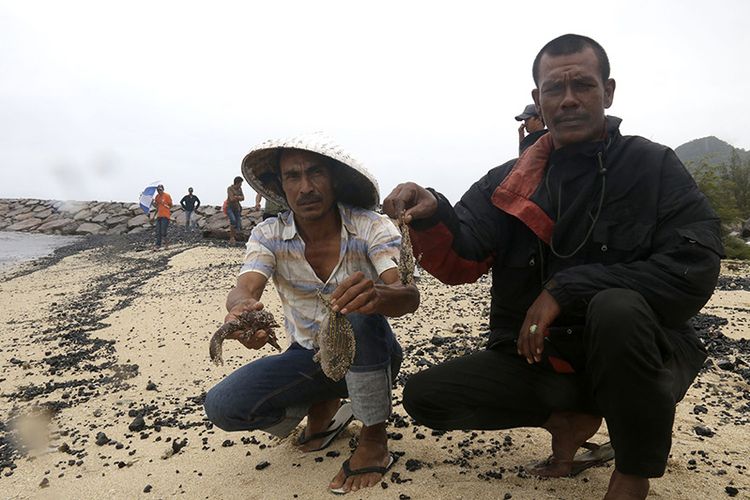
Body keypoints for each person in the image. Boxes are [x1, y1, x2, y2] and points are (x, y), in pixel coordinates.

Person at [383, 34, 723, 500]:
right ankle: (567, 417)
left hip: (641, 354)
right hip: (541, 356)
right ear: (537, 99)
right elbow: (461, 259)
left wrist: (568, 287)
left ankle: (633, 470)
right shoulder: (507, 179)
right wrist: (432, 211)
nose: (568, 100)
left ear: (608, 91)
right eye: (553, 89)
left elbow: (695, 266)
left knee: (616, 308)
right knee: (427, 396)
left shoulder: (653, 165)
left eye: (582, 85)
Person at [203, 134, 419, 494]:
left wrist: (377, 295)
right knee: (224, 406)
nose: (305, 187)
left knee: (355, 310)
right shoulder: (269, 234)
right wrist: (239, 311)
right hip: (308, 356)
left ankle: (374, 438)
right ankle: (326, 399)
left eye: (315, 173)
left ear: (334, 179)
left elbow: (406, 295)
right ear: (280, 185)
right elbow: (246, 286)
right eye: (293, 176)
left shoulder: (369, 225)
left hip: (371, 354)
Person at [151, 184, 172, 249]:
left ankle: (166, 245)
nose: (159, 191)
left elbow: (171, 205)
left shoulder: (167, 196)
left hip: (165, 216)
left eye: (160, 189)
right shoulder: (157, 197)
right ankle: (158, 245)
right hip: (159, 216)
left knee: (163, 231)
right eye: (158, 190)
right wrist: (152, 203)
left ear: (163, 189)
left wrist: (166, 206)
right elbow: (157, 207)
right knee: (158, 231)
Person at [226, 176, 245, 244]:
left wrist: (236, 197)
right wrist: (238, 197)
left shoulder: (240, 189)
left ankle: (234, 238)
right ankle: (232, 238)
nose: (241, 185)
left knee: (237, 224)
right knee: (233, 220)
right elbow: (231, 199)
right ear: (237, 183)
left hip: (237, 208)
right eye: (240, 183)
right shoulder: (230, 188)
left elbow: (243, 198)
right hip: (229, 207)